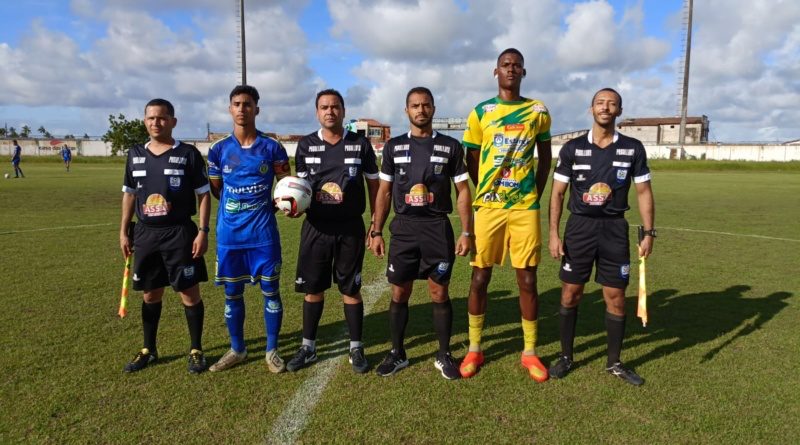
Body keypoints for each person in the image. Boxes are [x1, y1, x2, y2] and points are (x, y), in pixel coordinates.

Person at [548, 87, 655, 386]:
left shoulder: (633, 148)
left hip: (614, 231)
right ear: (591, 109)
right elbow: (557, 194)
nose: (605, 108)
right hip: (579, 229)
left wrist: (649, 232)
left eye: (612, 104)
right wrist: (554, 235)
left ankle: (614, 362)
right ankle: (566, 356)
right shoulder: (572, 149)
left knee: (616, 297)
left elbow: (644, 191)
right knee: (571, 293)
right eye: (600, 103)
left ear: (619, 111)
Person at [459, 48, 553, 381]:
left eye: (517, 66)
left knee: (527, 279)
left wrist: (534, 194)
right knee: (480, 277)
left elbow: (545, 159)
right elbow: (470, 155)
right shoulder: (481, 112)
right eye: (505, 65)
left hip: (524, 207)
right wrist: (485, 185)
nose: (511, 70)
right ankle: (475, 347)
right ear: (495, 71)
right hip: (489, 207)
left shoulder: (537, 110)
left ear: (523, 72)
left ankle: (530, 352)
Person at [369, 87, 474, 379]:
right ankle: (397, 353)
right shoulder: (393, 147)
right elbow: (385, 192)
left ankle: (444, 354)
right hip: (403, 230)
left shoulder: (451, 147)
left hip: (437, 228)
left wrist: (467, 232)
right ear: (406, 111)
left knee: (439, 291)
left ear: (433, 108)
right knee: (399, 291)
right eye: (415, 106)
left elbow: (463, 191)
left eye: (426, 105)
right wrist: (376, 230)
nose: (421, 110)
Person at [286, 89, 379, 374]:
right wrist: (293, 206)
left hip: (350, 227)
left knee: (351, 289)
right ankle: (308, 347)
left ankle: (356, 347)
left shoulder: (360, 144)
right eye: (324, 107)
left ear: (343, 110)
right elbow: (300, 190)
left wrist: (376, 224)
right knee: (313, 289)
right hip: (316, 228)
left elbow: (374, 185)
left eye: (335, 107)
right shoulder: (306, 146)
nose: (330, 111)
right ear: (317, 112)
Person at [119, 98, 211, 374]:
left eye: (161, 118)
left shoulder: (188, 154)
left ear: (173, 121)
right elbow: (129, 193)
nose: (155, 123)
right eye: (150, 118)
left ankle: (196, 348)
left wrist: (203, 231)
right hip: (146, 233)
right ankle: (149, 348)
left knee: (189, 292)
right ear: (144, 121)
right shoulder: (135, 153)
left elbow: (204, 195)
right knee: (150, 294)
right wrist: (124, 230)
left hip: (179, 233)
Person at [207, 85, 292, 373]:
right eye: (236, 104)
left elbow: (285, 187)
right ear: (230, 109)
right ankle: (237, 349)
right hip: (230, 236)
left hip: (263, 236)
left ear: (257, 109)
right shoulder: (218, 150)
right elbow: (217, 189)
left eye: (247, 104)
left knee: (271, 291)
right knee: (232, 293)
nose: (242, 109)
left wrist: (271, 206)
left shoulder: (272, 148)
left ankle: (271, 350)